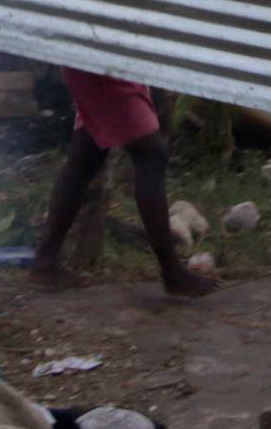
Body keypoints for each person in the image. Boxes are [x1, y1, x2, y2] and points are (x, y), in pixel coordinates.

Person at [31, 68, 215, 299]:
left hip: (99, 60)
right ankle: (171, 270)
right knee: (151, 154)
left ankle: (45, 261)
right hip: (103, 64)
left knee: (85, 157)